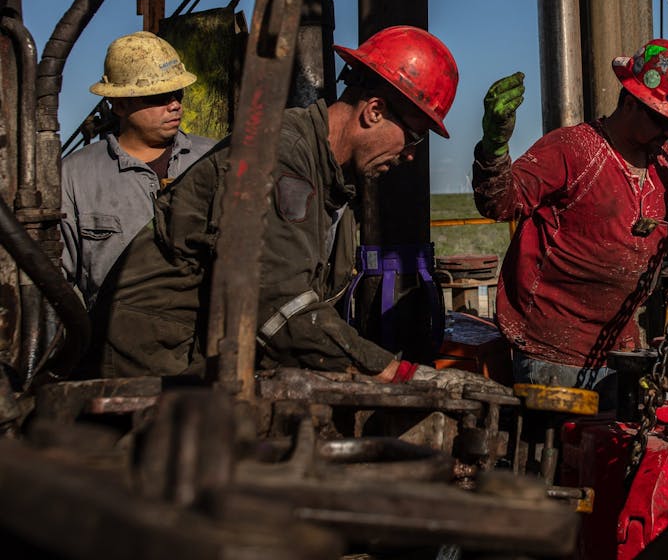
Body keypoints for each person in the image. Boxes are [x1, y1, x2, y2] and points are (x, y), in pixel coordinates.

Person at [94, 26, 504, 393]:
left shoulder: (331, 180)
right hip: (152, 367)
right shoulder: (281, 158)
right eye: (413, 137)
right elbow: (279, 306)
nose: (410, 156)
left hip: (196, 366)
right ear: (374, 111)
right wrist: (394, 374)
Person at [473, 38, 668, 395]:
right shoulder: (573, 150)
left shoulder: (665, 166)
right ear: (631, 101)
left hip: (620, 350)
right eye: (663, 119)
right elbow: (502, 203)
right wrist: (493, 149)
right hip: (554, 354)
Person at [61, 31, 217, 307]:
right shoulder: (75, 177)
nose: (175, 105)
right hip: (114, 342)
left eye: (177, 93)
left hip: (203, 341)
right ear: (120, 104)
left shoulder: (214, 159)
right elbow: (58, 283)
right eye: (158, 97)